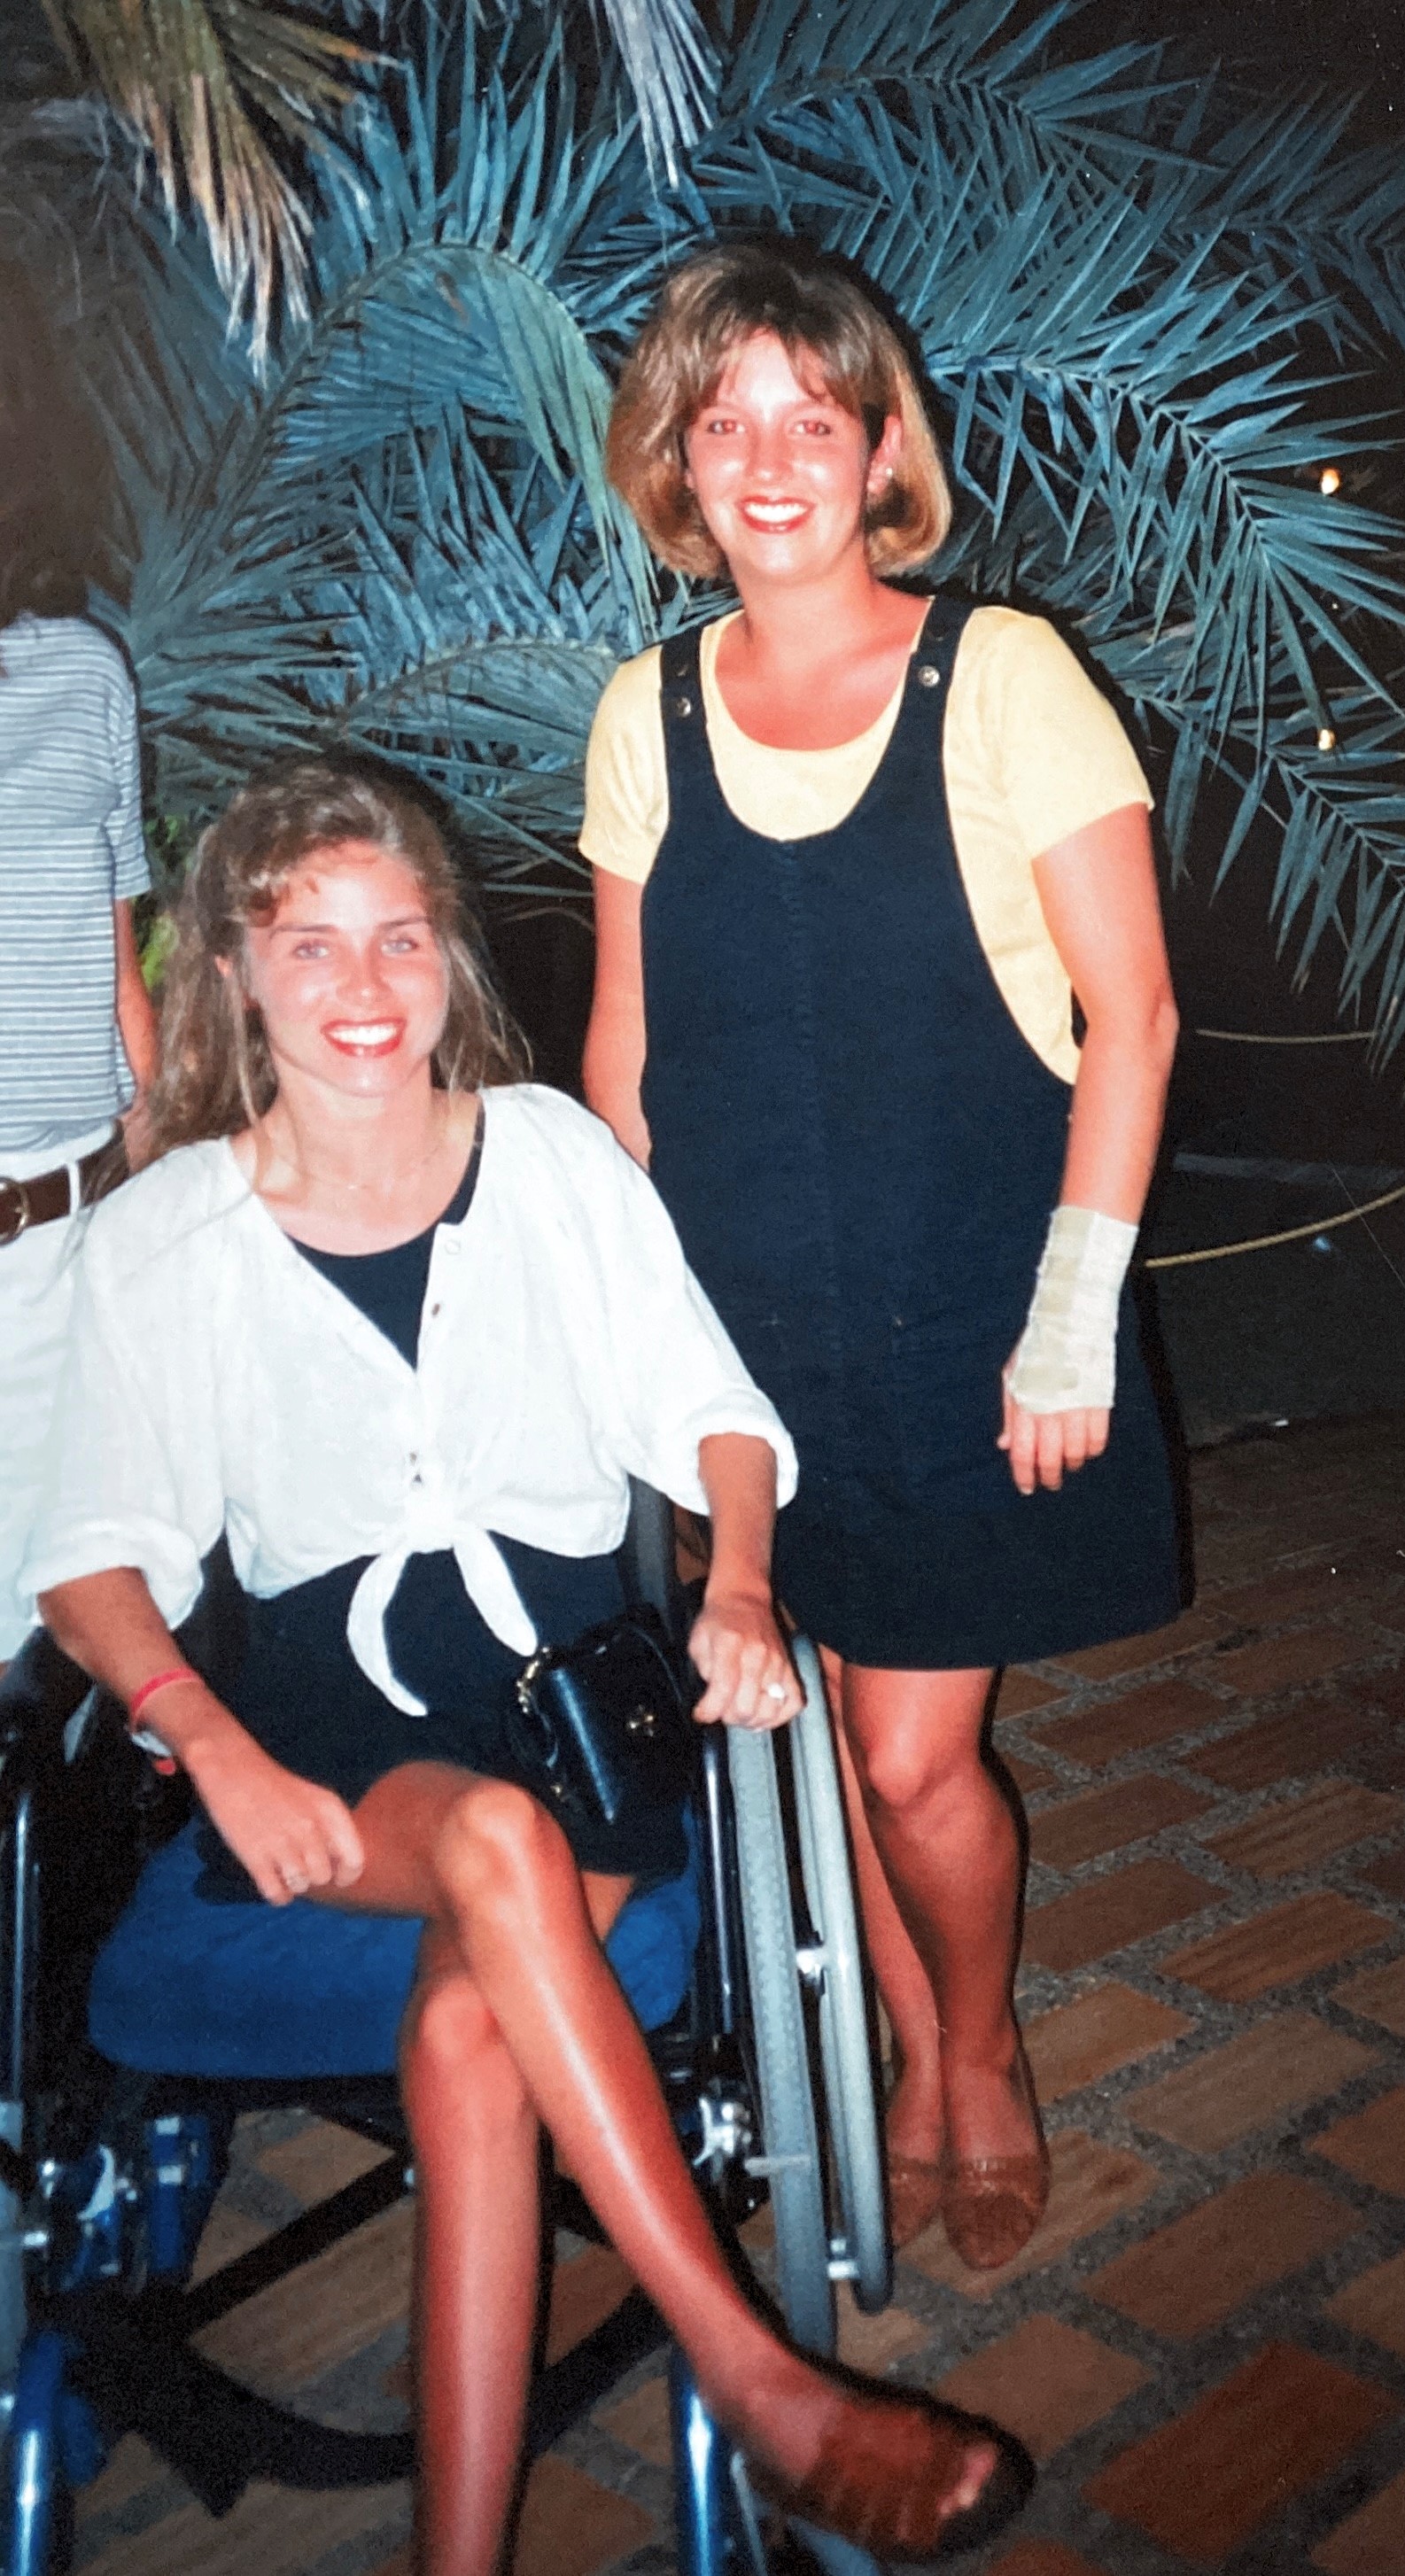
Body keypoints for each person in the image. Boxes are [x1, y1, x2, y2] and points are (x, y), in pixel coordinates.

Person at [25, 762, 1031, 2576]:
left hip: (586, 1704)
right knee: (482, 1850)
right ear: (232, 971)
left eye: (400, 934)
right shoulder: (163, 1234)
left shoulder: (551, 1154)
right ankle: (762, 2380)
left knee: (475, 2017)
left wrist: (735, 1584)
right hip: (341, 1744)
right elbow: (89, 1554)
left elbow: (712, 1405)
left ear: (448, 961)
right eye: (308, 938)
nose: (361, 978)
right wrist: (205, 1739)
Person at [583, 241, 1183, 2270]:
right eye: (719, 420)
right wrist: (635, 1358)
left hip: (968, 1321)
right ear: (673, 458)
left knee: (918, 1755)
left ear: (875, 449)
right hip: (750, 1343)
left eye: (806, 420)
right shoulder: (643, 712)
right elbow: (625, 1062)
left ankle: (980, 2045)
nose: (765, 461)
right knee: (828, 1725)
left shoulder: (1001, 675)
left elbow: (1136, 1018)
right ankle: (920, 2044)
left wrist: (1073, 1316)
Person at [0, 510, 157, 1669]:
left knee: (28, 1646)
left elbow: (116, 971)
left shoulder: (80, 668)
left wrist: (164, 1206)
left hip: (60, 1241)